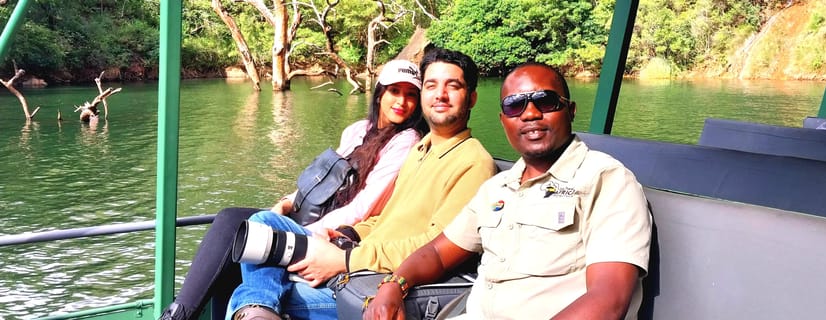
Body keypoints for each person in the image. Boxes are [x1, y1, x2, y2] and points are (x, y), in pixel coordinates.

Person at [364, 62, 654, 320]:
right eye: (515, 106)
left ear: (571, 111)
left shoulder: (606, 180)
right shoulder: (497, 189)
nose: (530, 114)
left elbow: (608, 301)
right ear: (504, 121)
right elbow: (438, 252)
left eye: (545, 101)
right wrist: (394, 285)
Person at [225, 48, 497, 320]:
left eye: (453, 86)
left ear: (471, 98)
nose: (440, 94)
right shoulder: (421, 150)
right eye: (431, 85)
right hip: (357, 256)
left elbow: (436, 247)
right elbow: (385, 217)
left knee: (248, 294)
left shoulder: (473, 162)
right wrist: (345, 234)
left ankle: (256, 309)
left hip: (376, 281)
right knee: (263, 226)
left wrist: (343, 260)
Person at [159, 59, 428, 320]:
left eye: (410, 95)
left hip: (334, 233)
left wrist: (309, 230)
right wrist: (286, 203)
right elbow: (321, 181)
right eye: (394, 91)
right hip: (307, 217)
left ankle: (180, 315)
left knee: (238, 226)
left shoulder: (405, 141)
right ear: (380, 94)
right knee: (234, 230)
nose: (401, 101)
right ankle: (181, 313)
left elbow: (364, 206)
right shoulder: (358, 130)